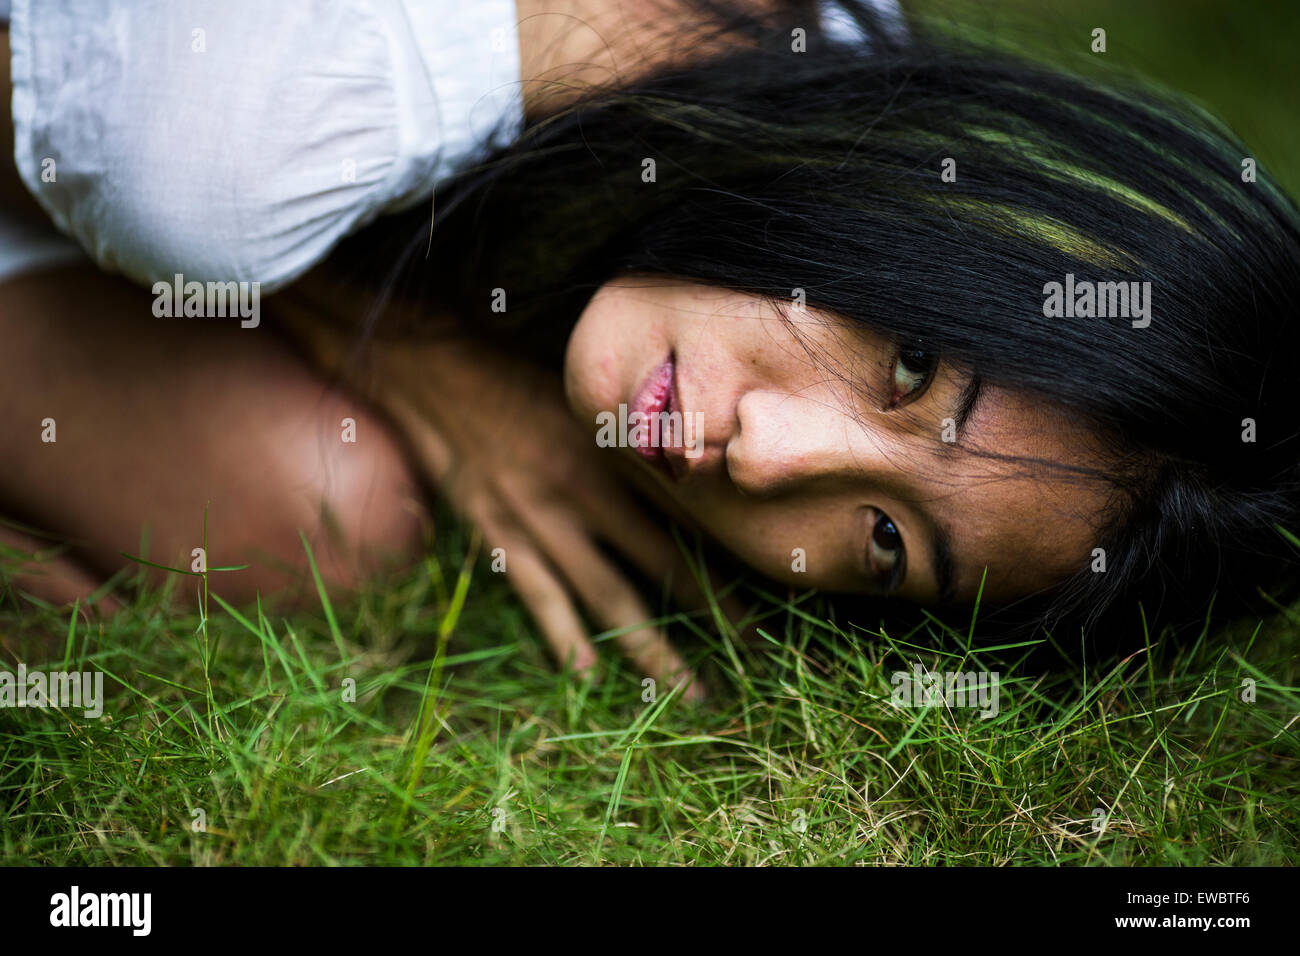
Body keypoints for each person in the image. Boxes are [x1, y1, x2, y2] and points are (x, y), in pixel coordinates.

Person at [2, 1, 1297, 698]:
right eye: (910, 369)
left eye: (887, 540)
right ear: (939, 211)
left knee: (320, 521)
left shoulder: (821, 82)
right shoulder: (224, 148)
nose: (768, 461)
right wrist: (405, 345)